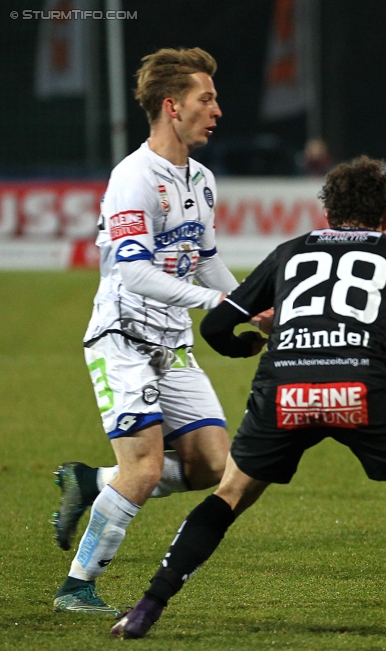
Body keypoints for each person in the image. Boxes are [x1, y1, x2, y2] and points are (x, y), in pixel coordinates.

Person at [110, 157, 386, 643]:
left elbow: (217, 325)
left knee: (228, 496)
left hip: (286, 389)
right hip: (362, 388)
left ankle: (144, 610)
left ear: (327, 213)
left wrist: (245, 346)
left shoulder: (289, 252)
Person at [51, 47, 243, 615]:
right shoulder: (133, 177)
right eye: (205, 99)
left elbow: (206, 259)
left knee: (213, 464)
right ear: (171, 106)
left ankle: (92, 482)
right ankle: (76, 586)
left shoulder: (201, 180)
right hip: (123, 338)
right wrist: (214, 302)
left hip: (174, 343)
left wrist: (248, 305)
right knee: (146, 467)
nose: (217, 110)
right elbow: (133, 271)